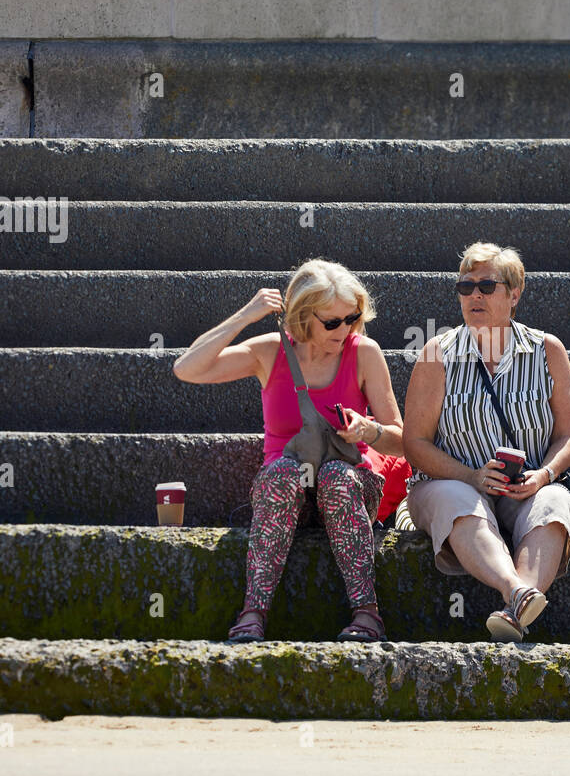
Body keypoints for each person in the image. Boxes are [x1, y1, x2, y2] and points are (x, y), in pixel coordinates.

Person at [173, 260, 404, 643]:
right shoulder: (270, 353)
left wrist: (369, 430)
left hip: (347, 485)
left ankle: (367, 614)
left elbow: (402, 439)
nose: (344, 329)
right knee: (283, 473)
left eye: (351, 318)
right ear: (302, 314)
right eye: (331, 322)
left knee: (336, 477)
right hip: (285, 493)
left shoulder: (364, 353)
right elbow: (186, 368)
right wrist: (245, 316)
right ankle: (252, 614)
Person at [402, 243, 570, 643]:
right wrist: (472, 476)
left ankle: (514, 613)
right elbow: (415, 443)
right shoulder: (437, 354)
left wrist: (544, 474)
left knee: (555, 502)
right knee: (457, 499)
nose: (474, 296)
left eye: (486, 286)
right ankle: (516, 592)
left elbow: (568, 435)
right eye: (466, 287)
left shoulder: (547, 350)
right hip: (454, 483)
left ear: (514, 294)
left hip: (525, 489)